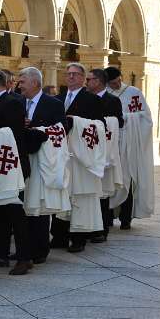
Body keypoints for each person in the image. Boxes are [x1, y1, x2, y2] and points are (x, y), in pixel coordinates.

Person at [0, 69, 32, 275]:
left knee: (15, 213)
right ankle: (1, 253)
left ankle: (24, 257)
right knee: (0, 212)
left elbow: (12, 134)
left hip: (10, 166)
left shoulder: (11, 103)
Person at [53, 63, 105, 253]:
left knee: (80, 197)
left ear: (84, 78)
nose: (71, 77)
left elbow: (100, 126)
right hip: (62, 155)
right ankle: (59, 236)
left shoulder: (92, 100)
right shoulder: (58, 99)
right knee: (61, 194)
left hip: (81, 157)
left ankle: (78, 238)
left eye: (75, 74)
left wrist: (77, 122)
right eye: (69, 74)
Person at [18, 67, 66, 264]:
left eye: (23, 81)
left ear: (35, 83)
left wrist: (37, 128)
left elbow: (61, 129)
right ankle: (24, 248)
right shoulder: (17, 102)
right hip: (22, 159)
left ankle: (39, 249)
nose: (19, 85)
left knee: (38, 206)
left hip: (42, 160)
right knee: (23, 205)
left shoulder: (53, 104)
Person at [105, 66, 155, 229]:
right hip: (111, 145)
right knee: (110, 180)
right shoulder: (104, 95)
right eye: (114, 83)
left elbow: (146, 117)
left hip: (130, 144)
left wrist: (125, 118)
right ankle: (109, 217)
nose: (118, 84)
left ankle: (126, 219)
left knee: (128, 179)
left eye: (119, 80)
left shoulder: (133, 92)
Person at [86, 68, 124, 243]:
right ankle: (88, 226)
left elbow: (119, 122)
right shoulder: (85, 99)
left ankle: (102, 229)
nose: (87, 82)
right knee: (89, 190)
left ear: (99, 81)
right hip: (88, 150)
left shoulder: (112, 100)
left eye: (90, 79)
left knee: (103, 193)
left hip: (105, 151)